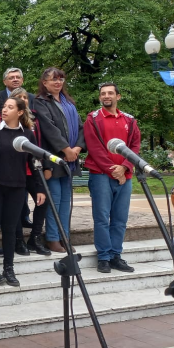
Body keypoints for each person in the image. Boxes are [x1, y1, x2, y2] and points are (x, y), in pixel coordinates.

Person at [0, 97, 45, 286]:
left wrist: (39, 188)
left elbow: (34, 163)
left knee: (10, 229)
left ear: (19, 112)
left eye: (10, 107)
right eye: (4, 107)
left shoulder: (27, 135)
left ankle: (9, 267)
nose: (4, 110)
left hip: (17, 188)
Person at [84, 82, 139, 274]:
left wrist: (125, 167)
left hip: (125, 176)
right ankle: (104, 257)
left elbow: (134, 147)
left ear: (118, 96)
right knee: (101, 218)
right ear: (100, 98)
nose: (106, 96)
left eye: (110, 93)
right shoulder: (93, 119)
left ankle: (116, 255)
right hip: (100, 175)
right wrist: (112, 170)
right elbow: (94, 148)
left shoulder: (130, 121)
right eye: (103, 93)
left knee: (120, 219)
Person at [35, 67, 85, 253]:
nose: (57, 82)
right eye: (52, 79)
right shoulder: (41, 102)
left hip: (70, 160)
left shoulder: (68, 102)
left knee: (66, 202)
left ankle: (65, 236)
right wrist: (65, 150)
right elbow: (49, 129)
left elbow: (81, 128)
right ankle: (53, 238)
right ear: (45, 82)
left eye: (60, 79)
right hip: (54, 159)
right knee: (54, 200)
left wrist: (77, 149)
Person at [12, 88, 50, 256]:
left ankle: (35, 238)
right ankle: (18, 240)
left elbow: (42, 146)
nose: (23, 100)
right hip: (16, 171)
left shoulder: (35, 122)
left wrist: (47, 166)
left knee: (43, 200)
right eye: (19, 97)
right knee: (18, 207)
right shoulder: (8, 123)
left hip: (34, 170)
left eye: (25, 97)